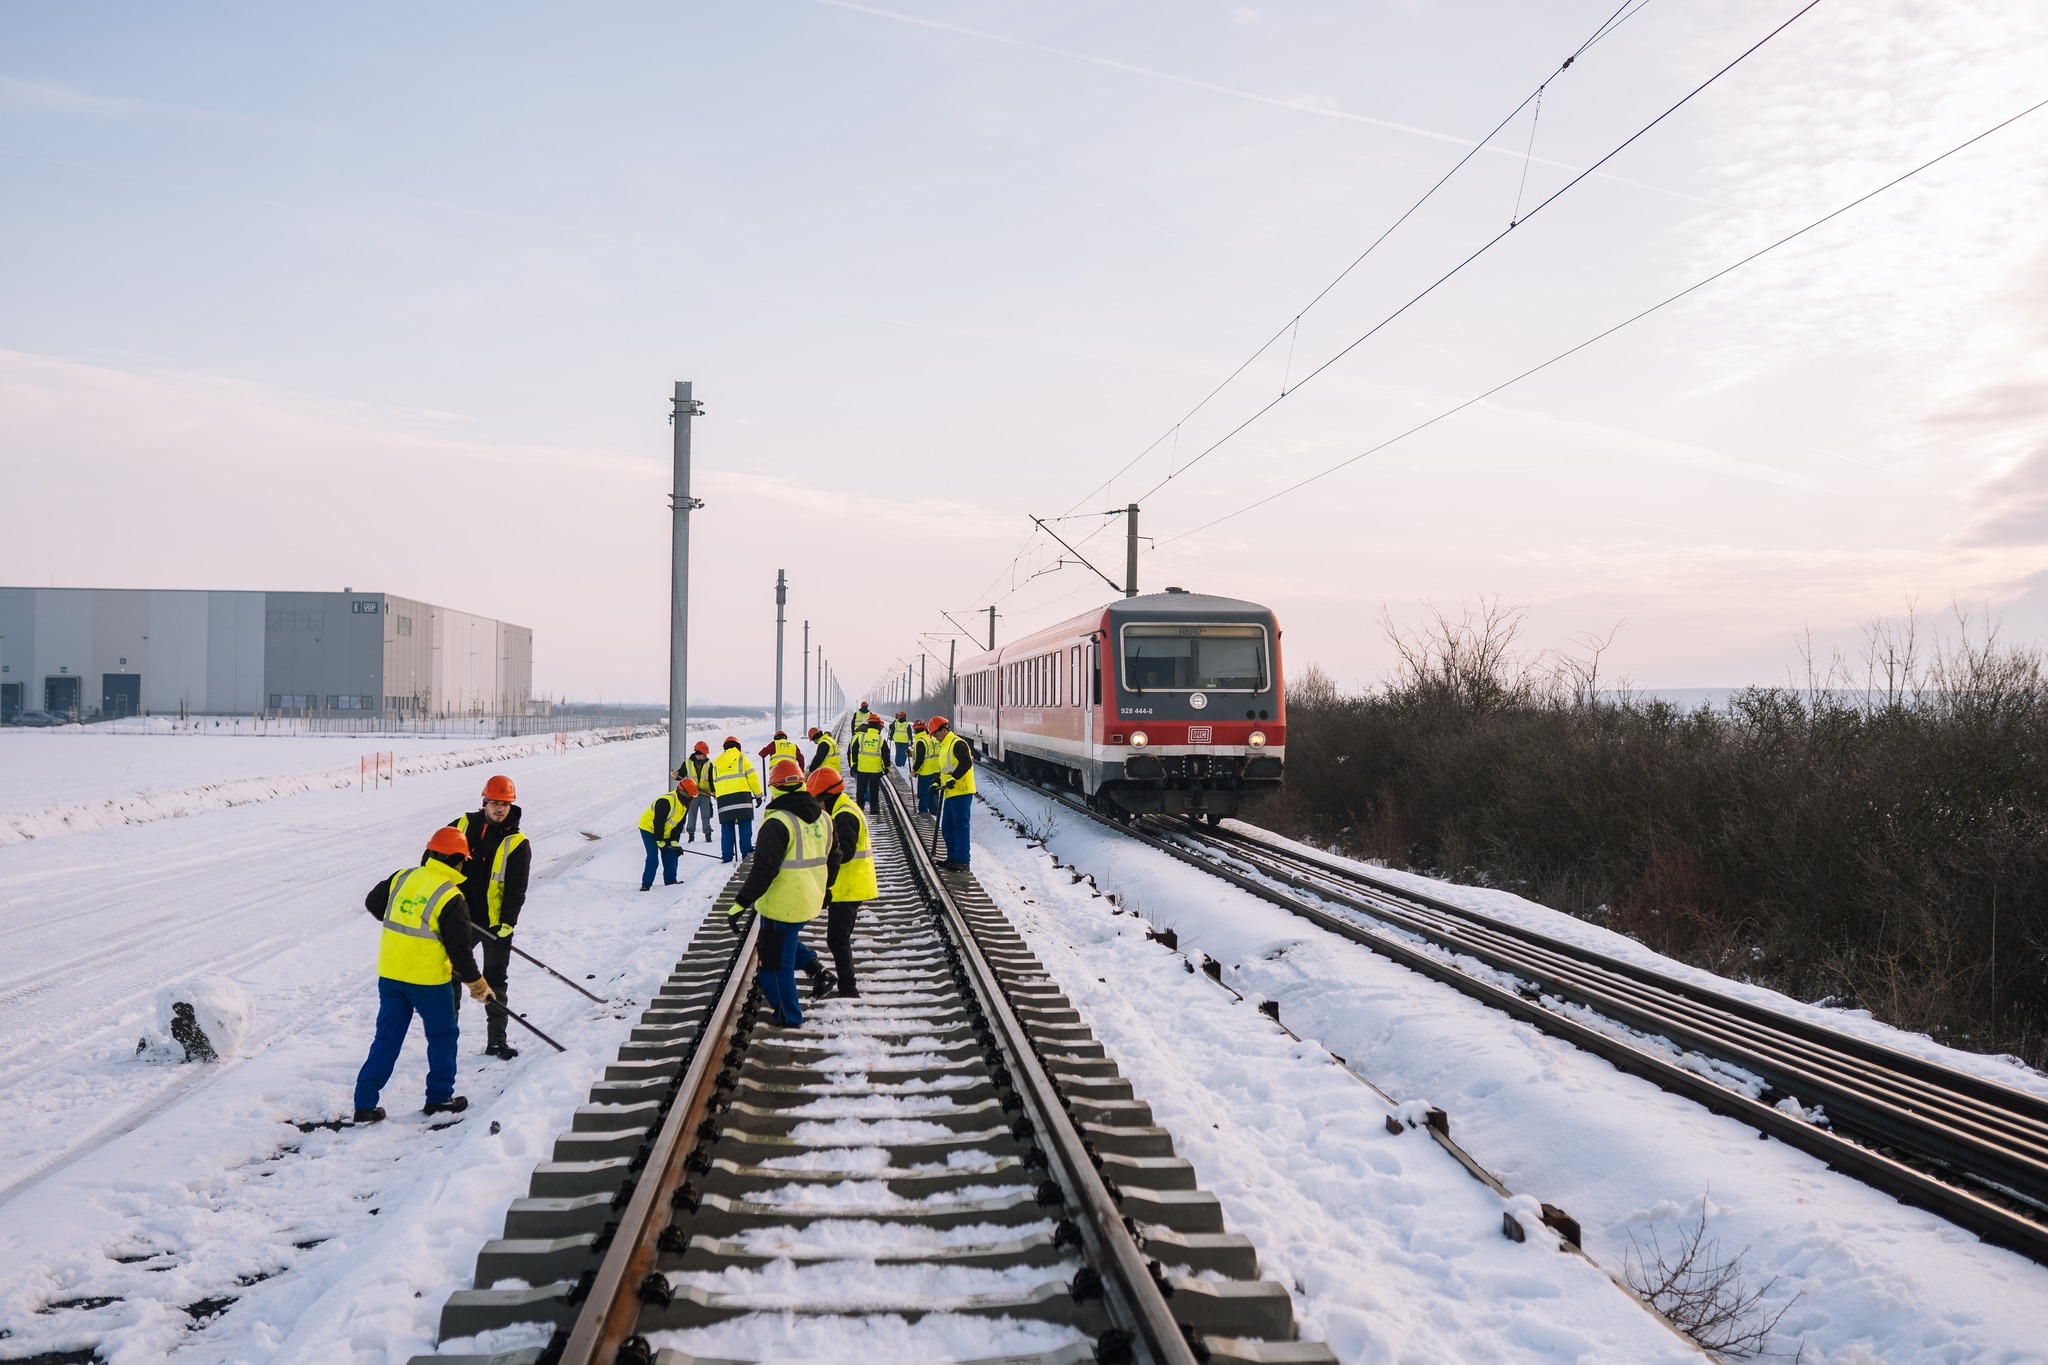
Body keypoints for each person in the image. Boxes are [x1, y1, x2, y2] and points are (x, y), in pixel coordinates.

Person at [353, 826, 494, 1122]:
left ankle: (364, 1104)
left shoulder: (403, 877)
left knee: (387, 1038)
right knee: (443, 1036)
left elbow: (373, 903)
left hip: (391, 974)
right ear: (458, 860)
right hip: (428, 981)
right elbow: (460, 951)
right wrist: (477, 984)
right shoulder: (450, 895)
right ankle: (439, 1098)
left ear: (430, 852)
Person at [726, 759, 840, 1025]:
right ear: (802, 784)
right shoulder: (824, 818)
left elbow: (764, 870)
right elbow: (835, 858)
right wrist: (825, 890)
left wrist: (741, 903)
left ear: (774, 788)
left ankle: (789, 1017)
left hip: (782, 905)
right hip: (808, 899)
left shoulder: (777, 822)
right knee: (780, 941)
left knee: (774, 966)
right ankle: (816, 970)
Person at [451, 775, 531, 1060]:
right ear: (484, 802)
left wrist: (508, 922)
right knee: (451, 977)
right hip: (460, 920)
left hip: (496, 924)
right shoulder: (461, 826)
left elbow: (517, 887)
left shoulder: (517, 842)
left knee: (495, 981)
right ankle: (447, 1039)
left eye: (505, 804)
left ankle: (496, 1041)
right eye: (495, 803)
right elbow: (432, 860)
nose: (500, 809)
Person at [809, 766, 873, 997]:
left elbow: (844, 851)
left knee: (837, 938)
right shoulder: (842, 809)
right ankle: (847, 986)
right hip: (847, 885)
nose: (817, 807)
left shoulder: (845, 815)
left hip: (849, 886)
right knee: (838, 938)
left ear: (827, 796)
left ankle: (848, 988)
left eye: (817, 801)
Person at [931, 715, 976, 869]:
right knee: (947, 827)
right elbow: (943, 770)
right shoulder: (945, 746)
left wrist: (954, 778)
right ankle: (952, 858)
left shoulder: (958, 743)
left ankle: (962, 861)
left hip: (961, 791)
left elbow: (966, 763)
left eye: (936, 734)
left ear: (944, 730)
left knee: (960, 827)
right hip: (950, 792)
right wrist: (935, 783)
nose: (935, 737)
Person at [639, 776, 698, 890]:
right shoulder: (665, 801)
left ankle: (671, 882)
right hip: (648, 828)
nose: (691, 798)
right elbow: (658, 822)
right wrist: (659, 840)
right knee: (653, 856)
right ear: (682, 792)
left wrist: (674, 841)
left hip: (665, 831)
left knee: (672, 853)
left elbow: (679, 824)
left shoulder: (685, 804)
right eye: (689, 796)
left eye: (692, 796)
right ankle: (646, 884)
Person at [711, 736, 762, 863]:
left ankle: (727, 856)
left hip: (724, 800)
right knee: (744, 824)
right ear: (738, 747)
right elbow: (753, 778)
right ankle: (746, 852)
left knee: (727, 827)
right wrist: (758, 795)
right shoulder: (742, 759)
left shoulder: (716, 763)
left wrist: (719, 795)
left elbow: (714, 782)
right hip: (742, 797)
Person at [681, 741, 716, 841]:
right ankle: (691, 836)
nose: (705, 756)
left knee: (706, 815)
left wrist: (714, 792)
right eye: (704, 754)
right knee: (692, 815)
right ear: (698, 753)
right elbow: (681, 774)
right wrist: (675, 775)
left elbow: (711, 780)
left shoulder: (709, 764)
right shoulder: (687, 763)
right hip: (692, 795)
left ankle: (708, 835)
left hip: (705, 794)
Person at [852, 714, 887, 813]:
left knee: (861, 789)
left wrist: (855, 763)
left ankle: (860, 807)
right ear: (878, 725)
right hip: (875, 770)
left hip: (862, 768)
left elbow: (854, 750)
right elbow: (885, 754)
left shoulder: (861, 737)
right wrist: (887, 766)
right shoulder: (880, 739)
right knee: (874, 789)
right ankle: (874, 808)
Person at [912, 721, 940, 814]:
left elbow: (920, 758)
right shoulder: (931, 739)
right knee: (933, 793)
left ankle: (923, 812)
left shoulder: (920, 741)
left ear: (915, 729)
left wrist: (914, 770)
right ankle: (934, 812)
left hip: (925, 771)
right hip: (934, 770)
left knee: (923, 794)